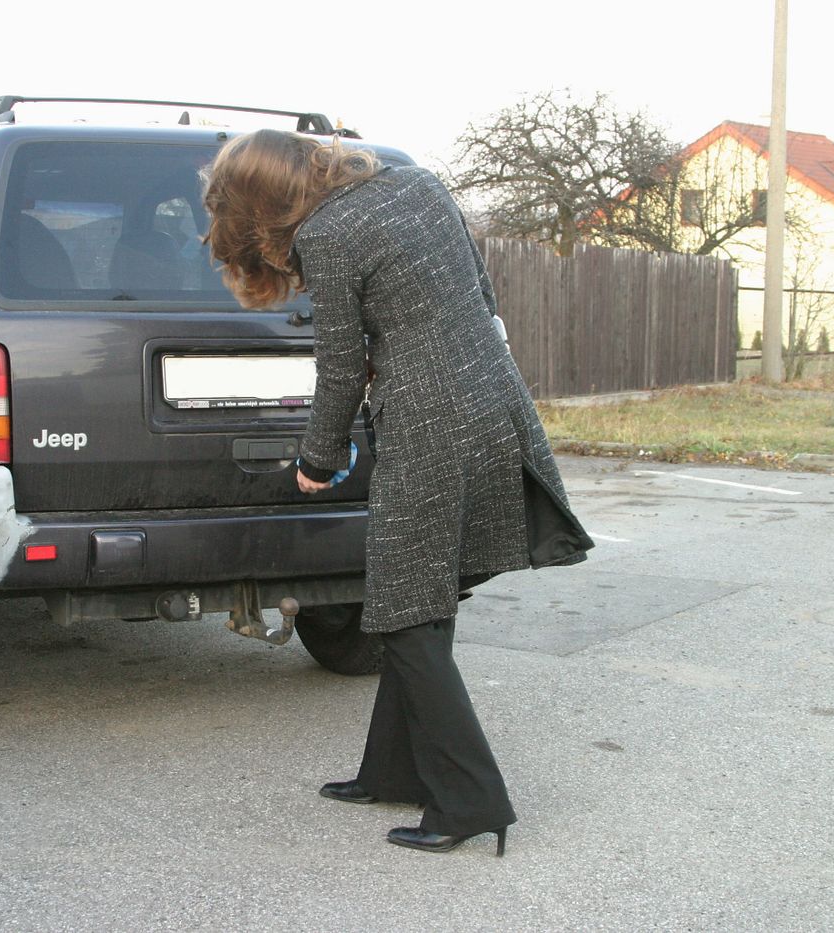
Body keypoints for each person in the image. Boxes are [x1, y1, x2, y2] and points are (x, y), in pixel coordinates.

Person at [202, 129, 594, 856]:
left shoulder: (326, 235)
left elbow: (340, 365)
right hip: (493, 401)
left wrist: (317, 458)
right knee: (418, 594)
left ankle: (471, 800)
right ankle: (392, 769)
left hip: (429, 424)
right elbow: (482, 293)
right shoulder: (418, 185)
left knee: (409, 611)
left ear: (259, 200)